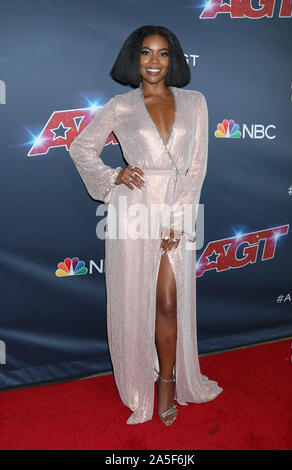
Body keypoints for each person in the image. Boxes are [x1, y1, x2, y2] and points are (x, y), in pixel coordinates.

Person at [68, 25, 223, 426]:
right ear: (134, 58)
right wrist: (113, 175)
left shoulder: (196, 102)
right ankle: (141, 381)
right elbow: (81, 148)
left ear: (174, 60)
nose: (154, 62)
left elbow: (197, 167)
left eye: (163, 54)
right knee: (136, 301)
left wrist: (179, 218)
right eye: (146, 53)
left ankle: (168, 383)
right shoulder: (121, 106)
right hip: (133, 210)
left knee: (170, 302)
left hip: (177, 209)